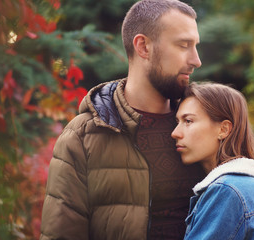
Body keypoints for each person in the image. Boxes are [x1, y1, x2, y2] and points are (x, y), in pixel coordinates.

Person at [40, 0, 205, 239]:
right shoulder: (82, 137)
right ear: (143, 47)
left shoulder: (207, 126)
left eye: (195, 46)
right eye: (183, 45)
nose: (196, 60)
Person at [171, 82, 254, 240]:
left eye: (188, 121)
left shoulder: (227, 191)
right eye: (177, 122)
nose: (175, 133)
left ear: (223, 129)